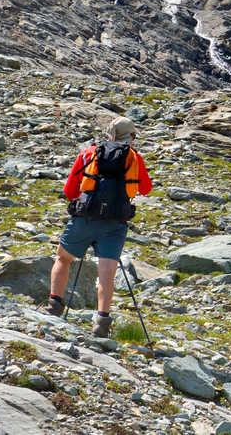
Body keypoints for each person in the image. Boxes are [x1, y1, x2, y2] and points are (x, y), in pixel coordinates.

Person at [47, 116, 152, 337]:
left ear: (109, 134)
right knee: (107, 273)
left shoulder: (88, 154)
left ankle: (54, 305)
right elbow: (146, 189)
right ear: (131, 136)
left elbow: (69, 191)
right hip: (115, 223)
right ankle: (102, 322)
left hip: (84, 218)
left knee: (63, 258)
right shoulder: (134, 158)